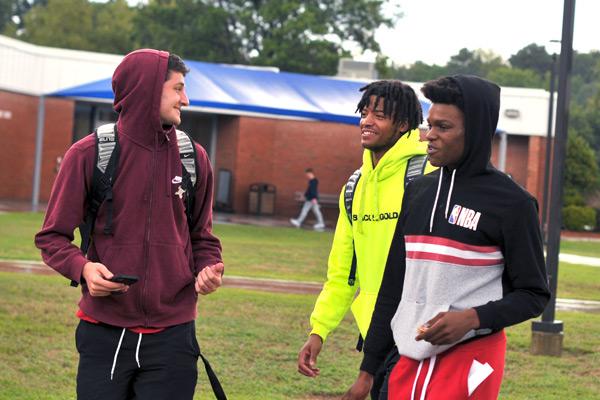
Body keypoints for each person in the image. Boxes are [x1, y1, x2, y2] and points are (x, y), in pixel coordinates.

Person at [343, 75, 551, 400]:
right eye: (429, 125)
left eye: (444, 127)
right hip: (403, 359)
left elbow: (534, 294)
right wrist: (368, 370)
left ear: (476, 132)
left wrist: (473, 318)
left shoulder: (513, 203)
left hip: (469, 360)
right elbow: (392, 288)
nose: (430, 136)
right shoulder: (417, 191)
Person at [35, 49, 225, 400]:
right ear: (148, 89)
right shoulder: (88, 154)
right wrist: (83, 269)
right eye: (178, 88)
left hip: (174, 334)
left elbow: (202, 237)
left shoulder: (194, 158)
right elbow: (52, 237)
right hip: (104, 332)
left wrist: (207, 268)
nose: (186, 99)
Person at [297, 80, 432, 398]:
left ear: (402, 125)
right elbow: (342, 273)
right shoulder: (355, 186)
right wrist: (319, 330)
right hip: (374, 335)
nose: (367, 120)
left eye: (379, 115)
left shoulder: (427, 175)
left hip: (421, 335)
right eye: (365, 112)